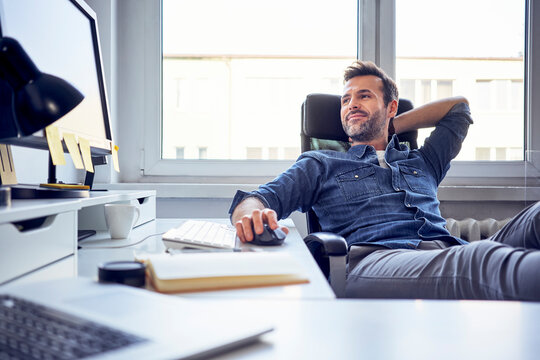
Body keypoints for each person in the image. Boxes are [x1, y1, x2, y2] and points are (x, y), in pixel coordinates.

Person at [229, 60, 540, 300]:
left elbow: (459, 109)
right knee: (480, 260)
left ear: (391, 106)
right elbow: (254, 200)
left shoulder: (422, 160)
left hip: (447, 250)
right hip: (376, 260)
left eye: (364, 96)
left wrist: (391, 125)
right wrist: (251, 215)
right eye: (346, 99)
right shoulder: (321, 163)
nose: (351, 104)